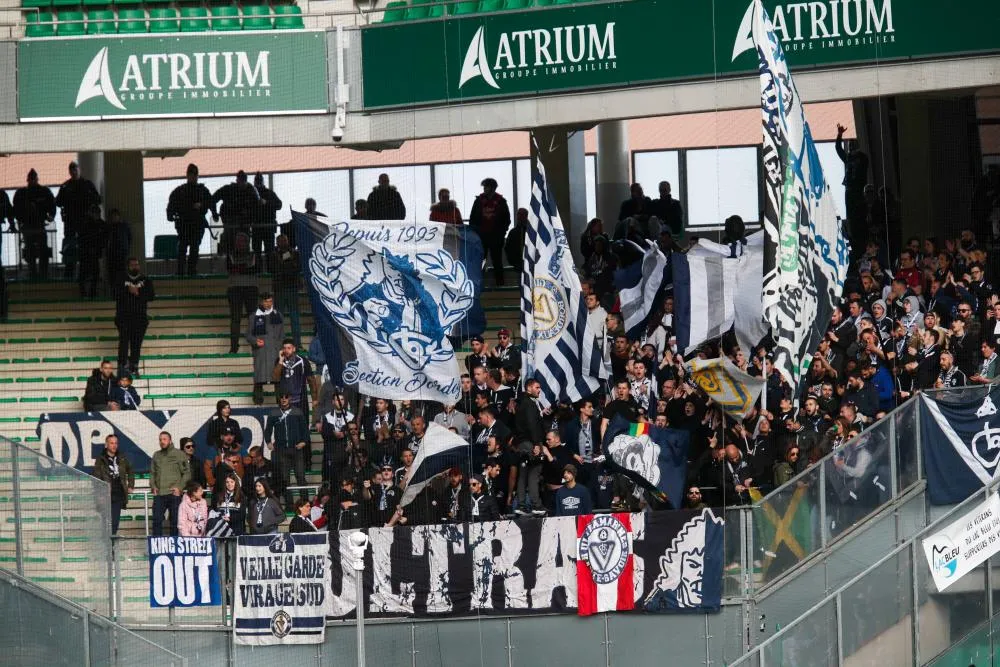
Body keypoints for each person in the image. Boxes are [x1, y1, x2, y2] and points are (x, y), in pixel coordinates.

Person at [166, 163, 218, 276]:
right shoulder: (181, 191)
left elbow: (211, 202)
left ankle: (191, 271)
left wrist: (209, 210)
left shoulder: (200, 190)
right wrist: (171, 215)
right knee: (183, 248)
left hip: (195, 224)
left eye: (195, 175)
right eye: (192, 174)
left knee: (193, 249)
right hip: (184, 224)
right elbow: (171, 207)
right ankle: (181, 272)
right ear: (188, 175)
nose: (193, 177)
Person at [55, 160, 102, 280]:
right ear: (69, 172)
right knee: (70, 250)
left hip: (86, 223)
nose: (74, 172)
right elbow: (58, 202)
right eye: (72, 170)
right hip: (71, 223)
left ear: (79, 170)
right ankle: (69, 275)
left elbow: (98, 199)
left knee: (86, 249)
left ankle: (87, 275)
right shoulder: (65, 186)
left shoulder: (87, 184)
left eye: (75, 169)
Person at [265, 393, 309, 507]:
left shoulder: (297, 411)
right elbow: (268, 429)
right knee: (285, 479)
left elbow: (305, 428)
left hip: (297, 450)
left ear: (290, 398)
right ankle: (289, 504)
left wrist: (304, 442)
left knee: (300, 476)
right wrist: (268, 442)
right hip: (282, 451)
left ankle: (305, 503)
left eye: (286, 397)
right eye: (281, 397)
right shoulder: (273, 413)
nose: (283, 399)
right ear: (279, 399)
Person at [113, 257, 154, 378]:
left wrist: (138, 292)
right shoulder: (121, 279)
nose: (135, 267)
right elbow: (115, 294)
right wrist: (128, 290)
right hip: (123, 318)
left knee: (136, 344)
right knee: (124, 343)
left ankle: (134, 367)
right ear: (128, 267)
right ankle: (121, 368)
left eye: (137, 264)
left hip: (140, 318)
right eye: (132, 265)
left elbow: (151, 296)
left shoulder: (146, 280)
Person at [13, 168, 56, 279]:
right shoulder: (22, 193)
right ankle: (33, 273)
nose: (32, 181)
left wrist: (51, 215)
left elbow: (52, 205)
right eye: (31, 179)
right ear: (28, 180)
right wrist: (20, 220)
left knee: (43, 250)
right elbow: (16, 210)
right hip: (28, 227)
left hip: (39, 226)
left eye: (34, 179)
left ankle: (43, 273)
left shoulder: (44, 191)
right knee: (30, 251)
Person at [469, 177, 512, 286]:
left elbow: (506, 219)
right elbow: (473, 218)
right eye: (484, 186)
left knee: (497, 261)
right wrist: (475, 233)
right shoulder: (478, 201)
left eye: (486, 186)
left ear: (492, 188)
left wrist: (502, 233)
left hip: (496, 237)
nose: (484, 189)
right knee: (479, 260)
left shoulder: (501, 201)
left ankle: (500, 284)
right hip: (481, 236)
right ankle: (477, 284)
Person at [150, 432, 190, 537]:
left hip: (174, 494)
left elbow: (187, 473)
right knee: (156, 520)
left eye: (164, 439)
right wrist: (153, 486)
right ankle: (158, 547)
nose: (162, 442)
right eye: (160, 439)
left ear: (170, 440)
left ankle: (174, 547)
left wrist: (180, 488)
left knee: (175, 522)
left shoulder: (179, 454)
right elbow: (152, 473)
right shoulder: (156, 455)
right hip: (159, 494)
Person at [226, 230, 260, 354]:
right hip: (234, 289)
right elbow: (230, 268)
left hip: (251, 288)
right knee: (235, 318)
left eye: (242, 241)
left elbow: (256, 269)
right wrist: (246, 267)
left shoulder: (254, 255)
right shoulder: (230, 255)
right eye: (237, 241)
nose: (239, 243)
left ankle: (255, 345)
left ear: (247, 242)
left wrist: (240, 268)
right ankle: (234, 347)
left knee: (253, 318)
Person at [93, 435, 134, 534]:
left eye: (116, 443)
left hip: (118, 494)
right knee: (106, 523)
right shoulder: (100, 459)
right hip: (106, 495)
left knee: (115, 522)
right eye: (112, 443)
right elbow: (96, 478)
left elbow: (131, 470)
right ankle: (106, 545)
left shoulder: (122, 457)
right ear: (106, 445)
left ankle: (111, 545)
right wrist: (100, 494)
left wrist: (131, 485)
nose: (114, 445)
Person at [248, 293, 284, 405]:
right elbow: (248, 335)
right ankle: (258, 402)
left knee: (278, 378)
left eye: (270, 301)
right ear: (261, 302)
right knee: (259, 379)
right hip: (261, 352)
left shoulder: (278, 315)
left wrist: (282, 349)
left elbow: (282, 335)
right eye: (266, 301)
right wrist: (255, 341)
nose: (268, 304)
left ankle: (281, 403)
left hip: (275, 352)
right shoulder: (254, 316)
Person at [269, 234, 301, 348]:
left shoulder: (295, 253)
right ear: (277, 243)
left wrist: (285, 265)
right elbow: (272, 269)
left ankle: (297, 343)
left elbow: (298, 268)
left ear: (288, 241)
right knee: (280, 318)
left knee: (294, 317)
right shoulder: (273, 255)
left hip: (292, 287)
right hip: (280, 289)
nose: (282, 242)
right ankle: (279, 343)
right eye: (280, 241)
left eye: (284, 240)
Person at [213, 170, 259, 240]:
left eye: (242, 182)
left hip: (244, 223)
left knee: (241, 244)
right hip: (231, 222)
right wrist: (214, 214)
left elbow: (257, 206)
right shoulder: (228, 189)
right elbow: (212, 199)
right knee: (231, 242)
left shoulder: (251, 191)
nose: (241, 185)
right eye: (240, 182)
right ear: (237, 181)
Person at [251, 172, 283, 260]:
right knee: (256, 253)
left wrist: (266, 203)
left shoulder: (269, 193)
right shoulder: (251, 195)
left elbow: (279, 205)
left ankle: (269, 271)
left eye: (259, 180)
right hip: (257, 227)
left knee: (269, 253)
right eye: (257, 180)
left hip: (268, 227)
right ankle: (258, 271)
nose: (258, 182)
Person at [76, 204, 103, 299]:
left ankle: (90, 293)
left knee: (92, 274)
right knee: (87, 274)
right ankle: (87, 293)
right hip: (87, 253)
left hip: (91, 253)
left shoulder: (98, 224)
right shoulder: (88, 224)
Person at [104, 209, 132, 289]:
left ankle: (121, 290)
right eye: (113, 217)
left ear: (119, 217)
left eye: (115, 216)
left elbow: (129, 239)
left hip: (121, 253)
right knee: (113, 274)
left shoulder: (123, 226)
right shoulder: (109, 227)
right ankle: (115, 290)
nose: (114, 218)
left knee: (122, 273)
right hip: (112, 254)